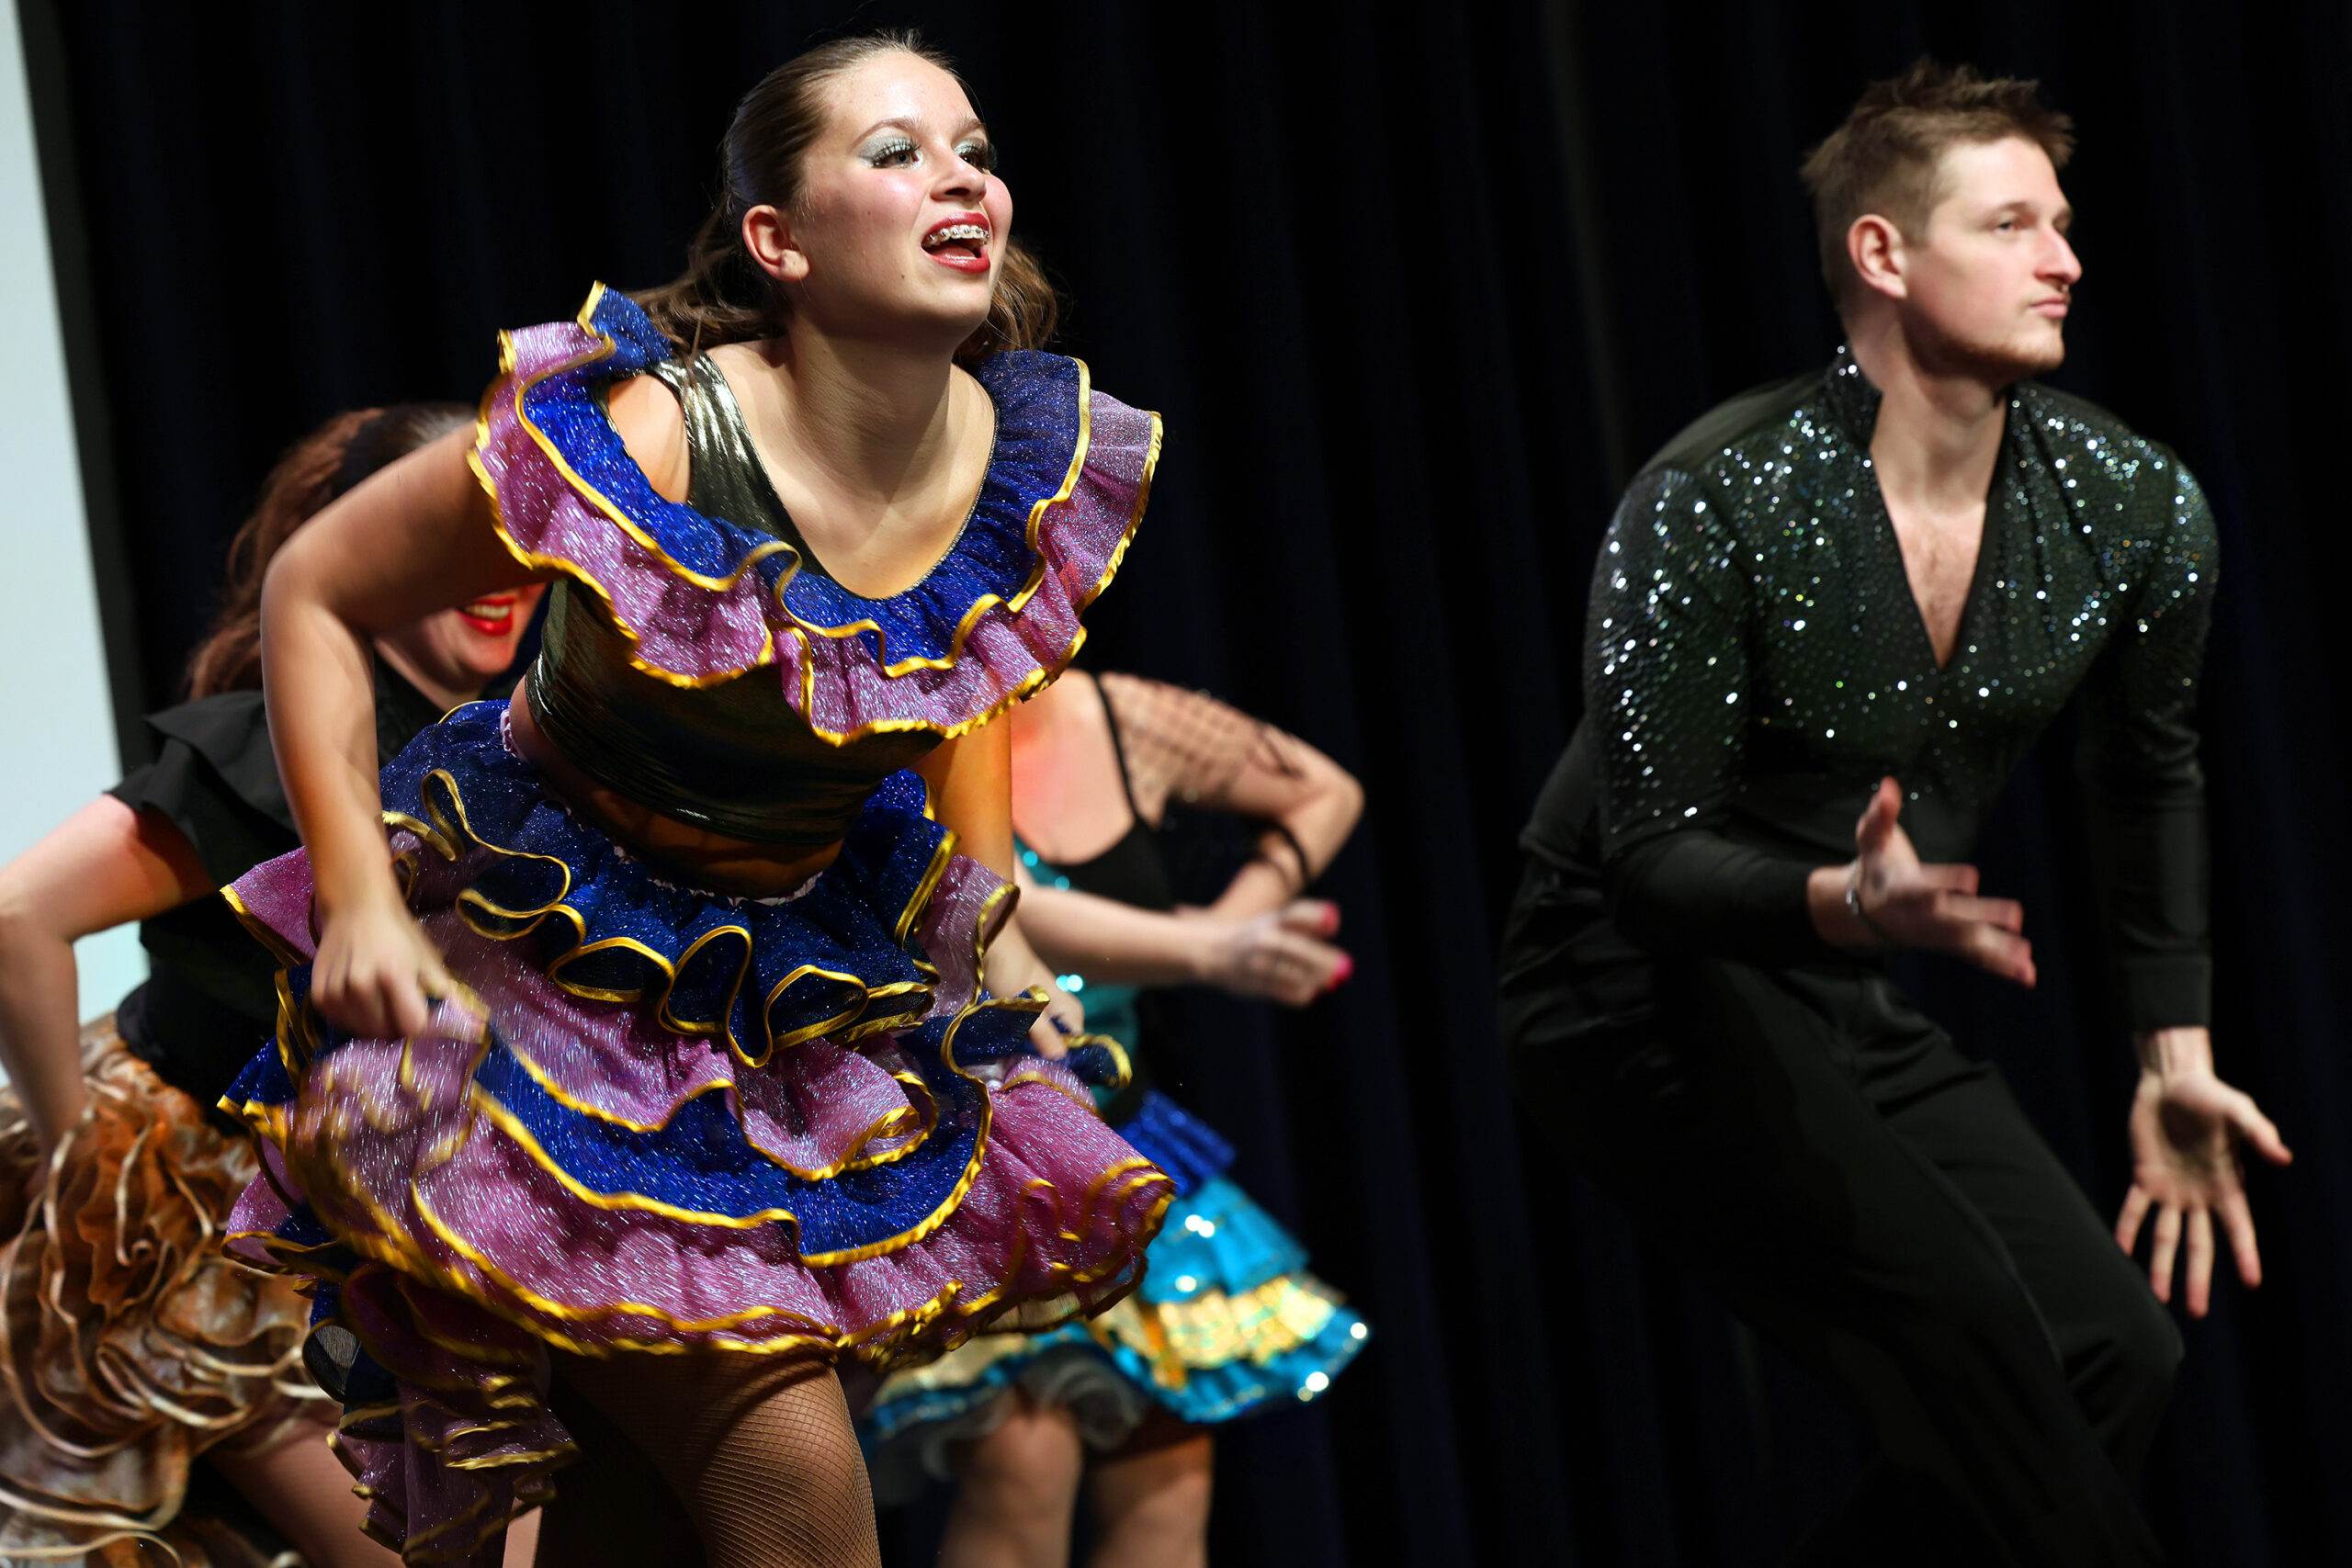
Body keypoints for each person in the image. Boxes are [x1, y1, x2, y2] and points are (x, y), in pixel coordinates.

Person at [213, 32, 1174, 1568]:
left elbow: (952, 691)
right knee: (798, 1488)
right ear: (778, 242)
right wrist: (362, 904)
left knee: (641, 1525)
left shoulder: (1022, 470)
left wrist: (991, 938)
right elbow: (316, 588)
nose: (961, 182)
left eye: (976, 152)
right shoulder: (656, 433)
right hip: (548, 992)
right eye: (897, 152)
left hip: (790, 1001)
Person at [1496, 60, 2288, 1566]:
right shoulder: (1717, 494)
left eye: (2063, 222)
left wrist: (2172, 1056)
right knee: (1972, 1330)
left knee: (2113, 1348)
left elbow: (2150, 771)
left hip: (1836, 984)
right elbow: (1645, 860)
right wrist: (1840, 902)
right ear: (1884, 252)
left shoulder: (2129, 502)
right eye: (2011, 224)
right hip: (1625, 987)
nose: (2064, 258)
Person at [0, 404, 543, 1568]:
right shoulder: (279, 748)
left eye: (520, 534)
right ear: (371, 540)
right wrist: (81, 1176)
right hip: (195, 1225)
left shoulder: (516, 757)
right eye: (457, 537)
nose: (497, 573)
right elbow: (17, 916)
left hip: (376, 1237)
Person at [861, 668, 1370, 1568]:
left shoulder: (1123, 716)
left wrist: (1232, 928)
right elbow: (996, 897)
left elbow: (1327, 791)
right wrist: (1206, 947)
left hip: (1119, 1134)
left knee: (1168, 1473)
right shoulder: (925, 717)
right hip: (983, 1151)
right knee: (1026, 1459)